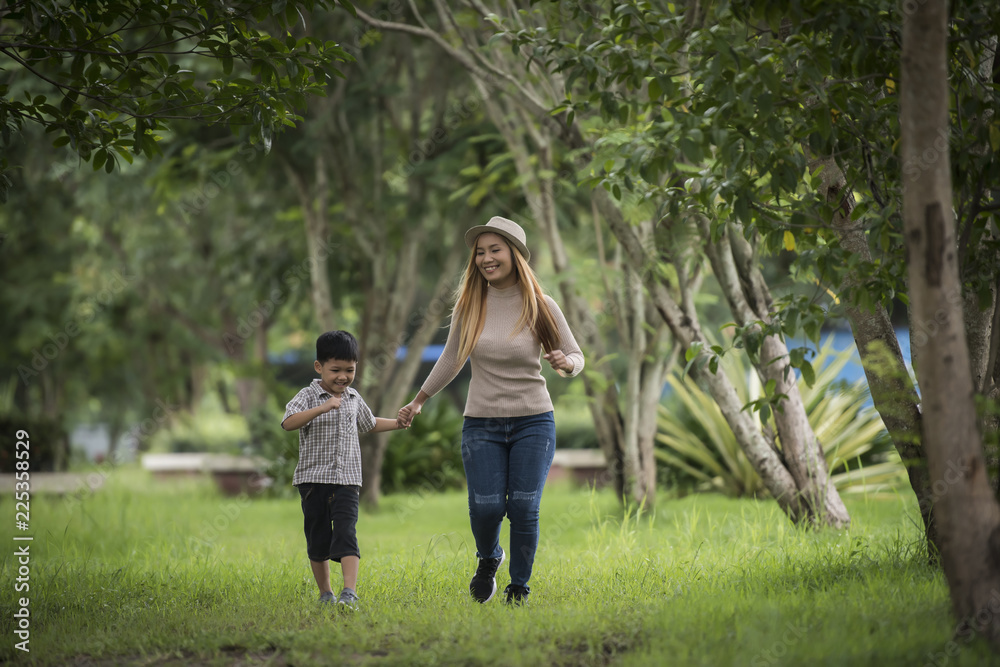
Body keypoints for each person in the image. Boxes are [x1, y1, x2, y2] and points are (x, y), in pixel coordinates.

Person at [397, 216, 584, 605]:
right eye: (480, 252)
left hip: (534, 420)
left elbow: (576, 355)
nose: (486, 258)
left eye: (494, 250)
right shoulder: (470, 306)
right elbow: (451, 358)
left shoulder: (541, 305)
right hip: (481, 423)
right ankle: (489, 558)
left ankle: (519, 587)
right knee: (485, 507)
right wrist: (419, 400)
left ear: (514, 255)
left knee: (524, 506)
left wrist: (566, 364)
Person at [282, 330, 404, 608]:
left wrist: (398, 423)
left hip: (347, 480)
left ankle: (349, 593)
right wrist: (322, 408)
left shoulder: (353, 397)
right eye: (335, 370)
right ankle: (326, 593)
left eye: (349, 370)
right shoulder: (308, 395)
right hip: (313, 481)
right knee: (318, 538)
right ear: (319, 367)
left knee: (347, 532)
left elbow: (369, 423)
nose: (343, 376)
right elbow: (288, 422)